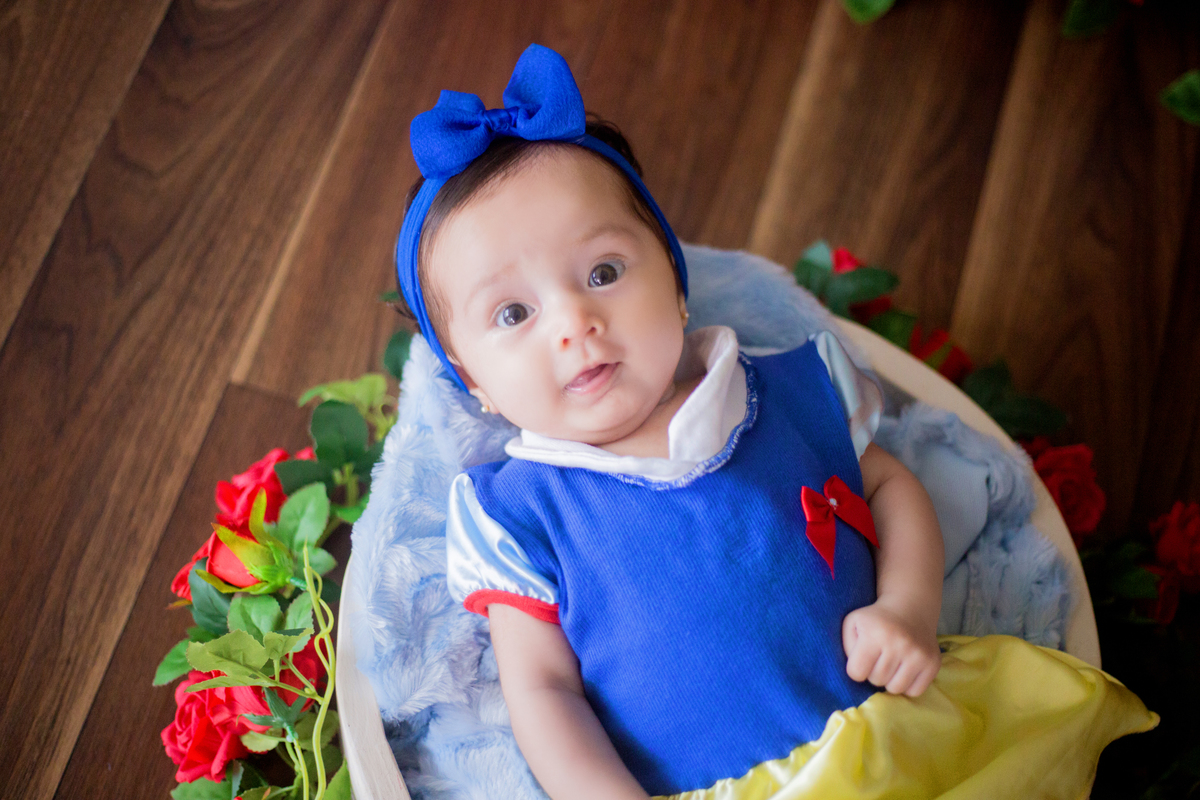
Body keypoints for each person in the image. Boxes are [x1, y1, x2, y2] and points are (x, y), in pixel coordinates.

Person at [392, 44, 1155, 800]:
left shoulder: (790, 387)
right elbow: (544, 694)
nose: (574, 322)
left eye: (604, 272)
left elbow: (892, 487)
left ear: (677, 285)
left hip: (893, 736)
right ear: (473, 383)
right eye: (514, 313)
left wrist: (907, 609)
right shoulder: (519, 512)